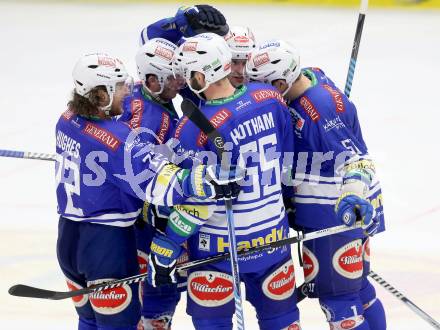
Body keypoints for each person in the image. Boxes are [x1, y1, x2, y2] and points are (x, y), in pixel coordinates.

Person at [55, 52, 244, 330]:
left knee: (89, 320)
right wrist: (207, 179)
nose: (127, 91)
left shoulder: (67, 119)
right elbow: (160, 184)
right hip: (104, 245)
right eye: (119, 86)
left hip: (67, 239)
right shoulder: (117, 140)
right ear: (99, 93)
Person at [147, 33, 301, 330]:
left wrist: (168, 244)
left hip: (217, 251)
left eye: (186, 73)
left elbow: (195, 201)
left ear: (200, 75)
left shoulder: (191, 129)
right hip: (274, 242)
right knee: (282, 323)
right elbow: (287, 166)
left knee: (213, 324)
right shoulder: (269, 98)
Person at [246, 40, 386, 330]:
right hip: (351, 206)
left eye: (263, 85)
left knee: (337, 301)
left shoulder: (318, 110)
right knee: (358, 290)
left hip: (336, 210)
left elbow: (356, 160)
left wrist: (352, 194)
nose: (258, 92)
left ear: (282, 81)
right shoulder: (313, 75)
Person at [120, 38, 185, 330]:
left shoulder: (137, 93)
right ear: (150, 79)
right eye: (170, 77)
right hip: (145, 217)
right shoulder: (150, 117)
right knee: (160, 285)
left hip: (139, 213)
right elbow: (139, 176)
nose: (178, 82)